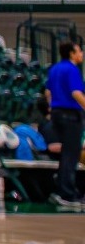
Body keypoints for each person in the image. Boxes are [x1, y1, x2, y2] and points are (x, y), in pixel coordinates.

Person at [44, 41, 84, 208]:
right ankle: (67, 194)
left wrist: (51, 109)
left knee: (66, 155)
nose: (81, 54)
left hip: (57, 114)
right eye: (79, 51)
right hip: (70, 116)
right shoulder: (72, 69)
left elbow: (47, 92)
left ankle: (63, 191)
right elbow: (76, 93)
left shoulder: (54, 69)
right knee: (71, 155)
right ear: (71, 54)